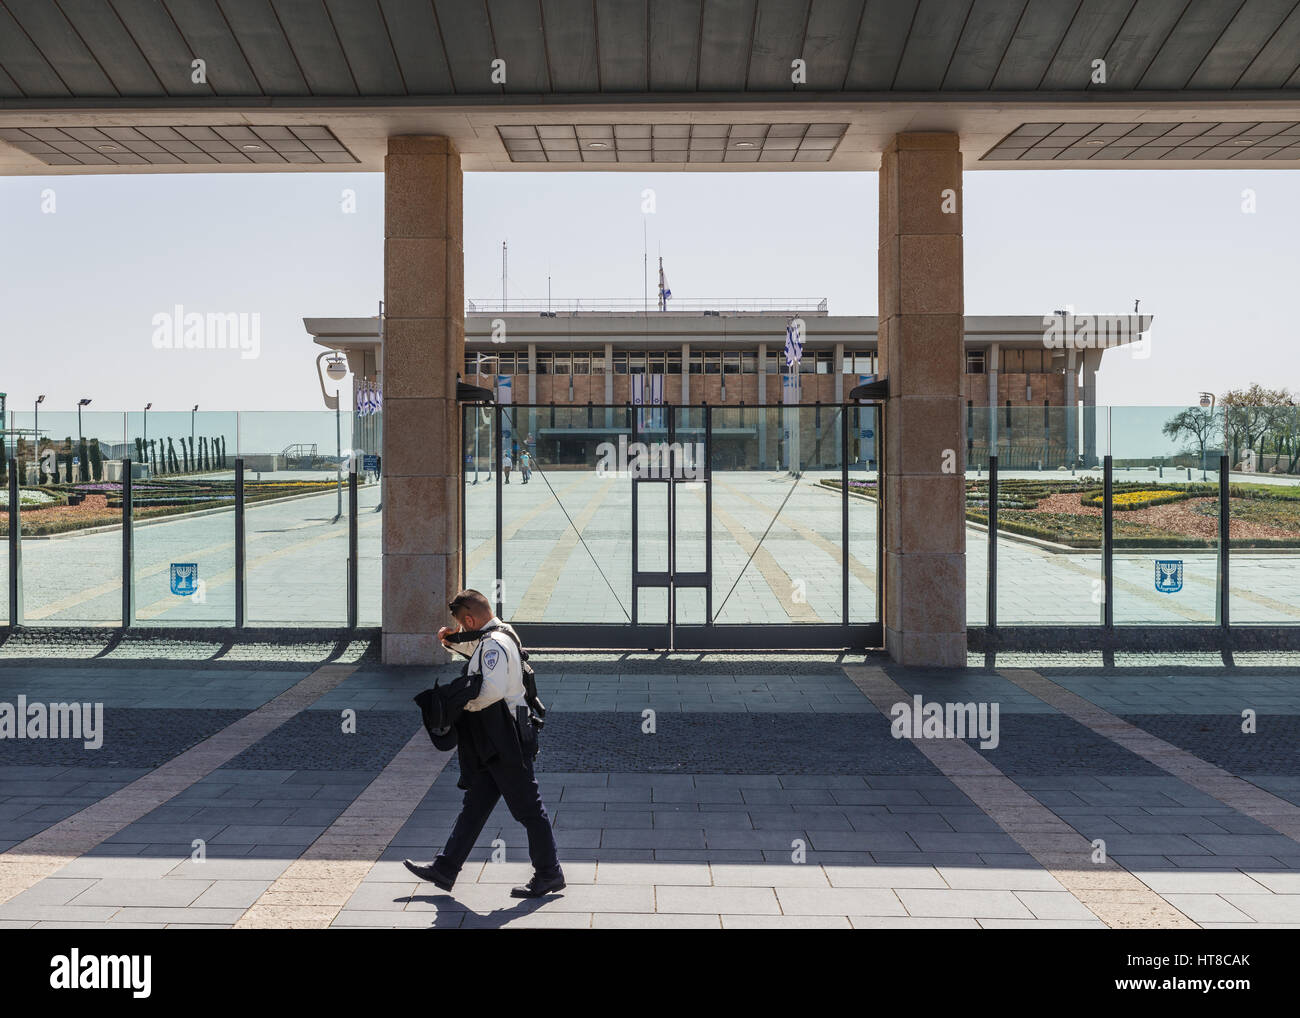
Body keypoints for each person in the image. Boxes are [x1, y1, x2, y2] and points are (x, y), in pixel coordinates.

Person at [404, 589, 564, 899]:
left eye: (462, 626)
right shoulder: (499, 636)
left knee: (529, 808)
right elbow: (480, 657)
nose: (464, 632)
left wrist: (457, 703)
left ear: (468, 619)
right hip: (499, 736)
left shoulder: (494, 644)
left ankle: (549, 873)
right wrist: (452, 640)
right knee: (475, 806)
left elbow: (489, 689)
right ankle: (446, 868)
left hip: (504, 737)